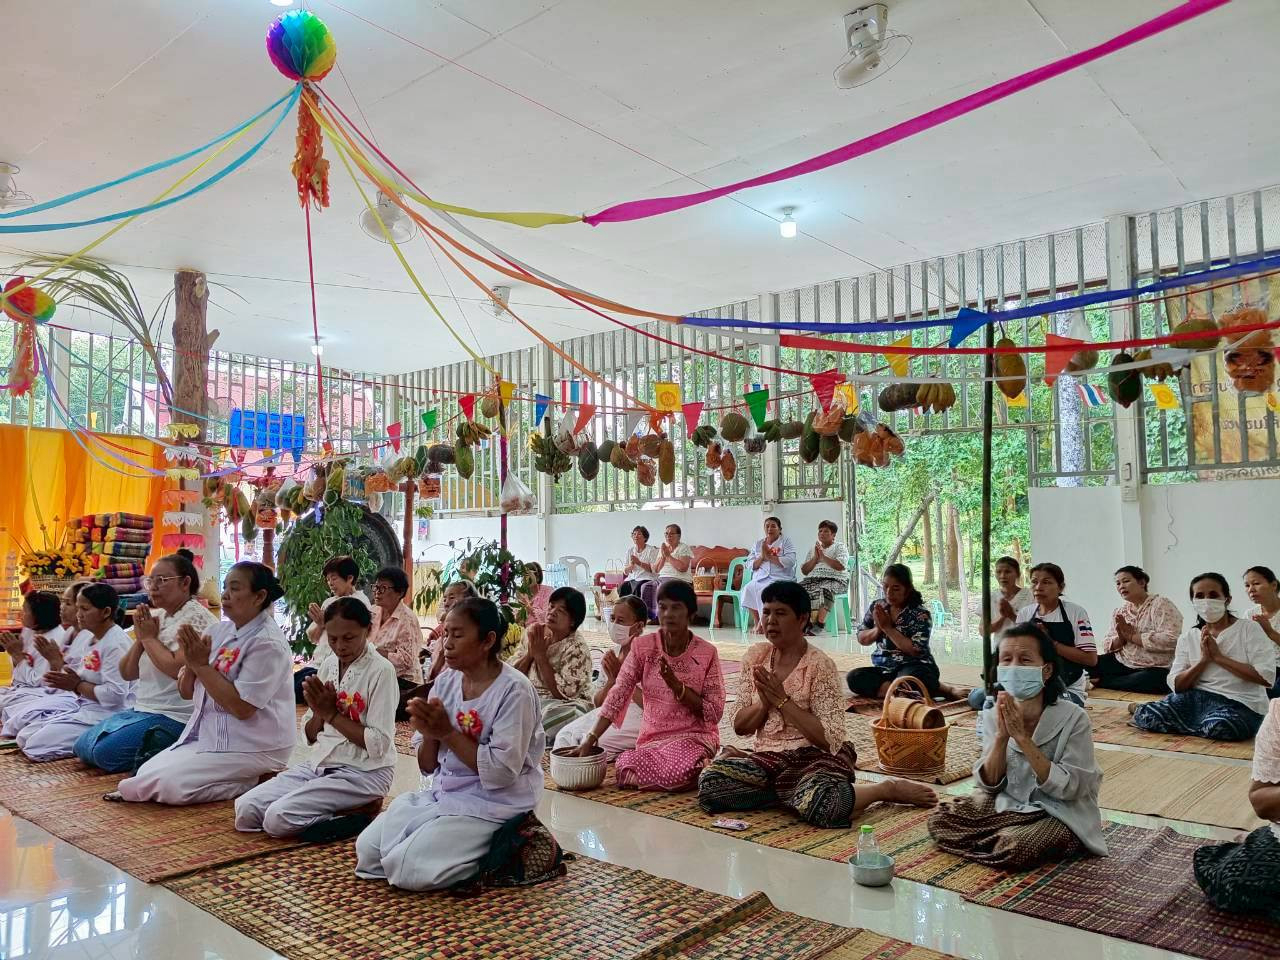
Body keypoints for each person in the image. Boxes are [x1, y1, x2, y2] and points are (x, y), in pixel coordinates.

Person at [698, 582, 936, 826]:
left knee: (826, 802)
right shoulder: (756, 657)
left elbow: (829, 739)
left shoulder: (819, 665)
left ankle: (883, 790)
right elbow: (740, 727)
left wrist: (783, 701)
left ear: (802, 619)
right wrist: (764, 702)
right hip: (769, 758)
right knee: (712, 782)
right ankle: (793, 794)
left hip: (815, 758)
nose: (770, 620)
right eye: (767, 612)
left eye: (780, 613)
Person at [355, 597, 545, 891]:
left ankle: (503, 850)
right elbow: (427, 766)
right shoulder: (446, 682)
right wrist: (430, 732)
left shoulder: (514, 690)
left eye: (457, 635)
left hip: (494, 804)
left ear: (487, 640)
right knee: (369, 851)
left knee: (407, 868)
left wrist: (446, 732)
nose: (447, 644)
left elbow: (501, 774)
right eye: (446, 634)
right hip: (446, 794)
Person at [112, 562, 296, 805]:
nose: (225, 595)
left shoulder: (267, 643)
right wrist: (191, 665)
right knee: (145, 773)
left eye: (235, 588)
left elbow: (242, 708)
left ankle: (252, 780)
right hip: (210, 736)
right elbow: (186, 692)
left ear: (259, 596)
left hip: (253, 744)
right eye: (225, 587)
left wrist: (201, 666)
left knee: (169, 787)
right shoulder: (218, 632)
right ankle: (244, 778)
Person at [928, 622, 1106, 868]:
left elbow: (1073, 788)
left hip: (1059, 811)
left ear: (1046, 670)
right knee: (940, 820)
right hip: (1008, 804)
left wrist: (1022, 739)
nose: (1013, 668)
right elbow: (988, 784)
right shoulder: (993, 714)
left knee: (1015, 845)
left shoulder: (1074, 718)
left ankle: (1004, 839)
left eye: (1024, 660)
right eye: (1006, 660)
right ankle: (997, 839)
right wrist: (1002, 737)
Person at [235, 598, 397, 840]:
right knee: (246, 809)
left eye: (349, 638)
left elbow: (379, 744)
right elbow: (311, 735)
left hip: (365, 772)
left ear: (368, 630)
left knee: (277, 820)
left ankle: (357, 813)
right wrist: (320, 712)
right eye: (333, 639)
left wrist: (332, 714)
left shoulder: (381, 670)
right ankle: (333, 806)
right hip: (322, 762)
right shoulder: (329, 664)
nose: (340, 646)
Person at [574, 580, 725, 792]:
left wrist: (678, 688)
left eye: (676, 607)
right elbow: (619, 693)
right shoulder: (643, 647)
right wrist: (591, 737)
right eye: (663, 607)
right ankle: (696, 773)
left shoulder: (706, 653)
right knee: (625, 768)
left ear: (691, 614)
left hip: (693, 737)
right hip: (653, 739)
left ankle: (698, 769)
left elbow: (714, 712)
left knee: (678, 771)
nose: (668, 614)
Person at [73, 553, 218, 773]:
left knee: (102, 753)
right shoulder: (157, 616)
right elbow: (127, 672)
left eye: (162, 580)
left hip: (176, 715)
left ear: (185, 582)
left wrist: (149, 638)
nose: (153, 587)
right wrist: (141, 639)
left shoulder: (198, 619)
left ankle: (172, 747)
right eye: (151, 581)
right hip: (143, 709)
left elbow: (176, 669)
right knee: (80, 745)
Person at [1132, 573, 1274, 742]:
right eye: (1199, 596)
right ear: (1193, 602)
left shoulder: (1249, 629)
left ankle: (1189, 725)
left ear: (1227, 599)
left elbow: (1266, 677)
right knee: (1148, 715)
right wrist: (1203, 661)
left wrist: (1219, 658)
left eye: (1213, 595)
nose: (1206, 601)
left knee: (1223, 726)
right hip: (1194, 700)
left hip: (1240, 702)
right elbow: (1177, 685)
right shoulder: (1189, 637)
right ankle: (1198, 725)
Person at [17, 584, 135, 762]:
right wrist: (61, 669)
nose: (79, 614)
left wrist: (77, 685)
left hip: (109, 712)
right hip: (85, 706)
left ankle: (96, 741)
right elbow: (79, 676)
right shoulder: (91, 638)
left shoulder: (115, 643)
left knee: (36, 745)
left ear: (105, 612)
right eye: (78, 608)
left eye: (85, 609)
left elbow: (115, 696)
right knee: (24, 735)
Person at [1193, 697, 1280, 918]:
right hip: (1203, 702)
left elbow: (1263, 680)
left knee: (1225, 724)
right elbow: (1262, 802)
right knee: (1230, 882)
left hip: (1239, 706)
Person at [553, 596, 648, 757]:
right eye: (612, 619)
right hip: (610, 711)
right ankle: (568, 772)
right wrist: (611, 682)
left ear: (638, 626)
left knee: (595, 745)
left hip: (641, 716)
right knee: (564, 735)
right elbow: (598, 703)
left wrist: (622, 677)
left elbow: (652, 706)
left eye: (621, 621)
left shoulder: (649, 656)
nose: (614, 624)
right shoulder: (612, 655)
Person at [1, 582, 88, 737]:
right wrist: (16, 655)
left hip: (53, 695)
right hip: (34, 691)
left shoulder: (55, 638)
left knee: (26, 731)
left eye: (68, 603)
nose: (62, 608)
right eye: (62, 602)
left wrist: (18, 656)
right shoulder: (31, 631)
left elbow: (42, 682)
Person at [847, 564, 941, 699]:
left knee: (914, 678)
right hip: (885, 669)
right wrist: (878, 629)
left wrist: (888, 628)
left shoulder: (920, 614)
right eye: (885, 586)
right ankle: (901, 692)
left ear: (907, 589)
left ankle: (895, 691)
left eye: (896, 588)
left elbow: (915, 650)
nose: (889, 593)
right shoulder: (878, 607)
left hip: (914, 666)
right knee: (854, 678)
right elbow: (862, 638)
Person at [510, 586, 593, 739]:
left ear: (573, 621)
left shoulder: (577, 648)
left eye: (561, 611)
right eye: (551, 606)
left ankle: (528, 730)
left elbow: (564, 694)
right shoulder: (533, 633)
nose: (552, 612)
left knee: (568, 715)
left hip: (562, 704)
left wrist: (541, 657)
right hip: (530, 697)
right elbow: (511, 675)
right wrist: (530, 654)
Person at [1088, 566, 1182, 695]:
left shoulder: (1161, 604)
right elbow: (1106, 643)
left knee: (1156, 680)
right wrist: (1121, 638)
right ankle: (1112, 680)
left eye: (1126, 581)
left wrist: (1133, 637)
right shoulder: (1120, 612)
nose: (1121, 586)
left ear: (1142, 583)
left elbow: (1172, 639)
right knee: (1086, 664)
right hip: (1123, 661)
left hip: (1153, 668)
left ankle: (1103, 682)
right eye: (1118, 583)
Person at [295, 556, 375, 705]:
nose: (330, 583)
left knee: (299, 691)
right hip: (317, 663)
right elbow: (312, 637)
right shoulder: (329, 602)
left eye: (334, 578)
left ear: (350, 578)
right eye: (328, 580)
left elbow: (349, 633)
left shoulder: (359, 603)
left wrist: (325, 623)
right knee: (288, 684)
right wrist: (320, 624)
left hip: (338, 665)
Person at [1016, 563, 1096, 705]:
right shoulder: (1025, 613)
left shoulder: (1075, 612)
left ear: (1060, 587)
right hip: (1032, 683)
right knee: (981, 698)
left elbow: (1090, 659)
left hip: (1068, 686)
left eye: (1046, 582)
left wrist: (1050, 642)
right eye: (1034, 582)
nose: (1038, 587)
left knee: (1053, 706)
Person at [0, 591, 64, 710]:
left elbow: (38, 682)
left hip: (41, 694)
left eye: (25, 611)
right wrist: (14, 653)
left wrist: (17, 655)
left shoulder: (52, 641)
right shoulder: (30, 630)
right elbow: (19, 670)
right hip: (20, 688)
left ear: (38, 615)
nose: (21, 614)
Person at [368, 566, 424, 690]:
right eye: (376, 587)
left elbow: (406, 661)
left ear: (400, 592)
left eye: (383, 588)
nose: (377, 592)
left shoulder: (407, 620)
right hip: (377, 673)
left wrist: (373, 651)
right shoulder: (373, 611)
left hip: (404, 681)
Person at [740, 517, 797, 631]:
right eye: (767, 526)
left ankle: (764, 623)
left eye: (773, 526)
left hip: (780, 577)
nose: (769, 528)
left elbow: (791, 561)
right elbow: (750, 564)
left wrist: (770, 557)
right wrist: (762, 556)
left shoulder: (785, 542)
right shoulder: (758, 544)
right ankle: (757, 621)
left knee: (765, 590)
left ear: (780, 529)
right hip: (760, 578)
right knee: (747, 589)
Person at [798, 521, 849, 634]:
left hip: (837, 580)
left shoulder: (839, 547)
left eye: (826, 531)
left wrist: (823, 556)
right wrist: (815, 559)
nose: (822, 533)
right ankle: (805, 622)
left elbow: (840, 566)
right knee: (796, 590)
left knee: (824, 589)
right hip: (813, 580)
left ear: (833, 535)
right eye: (820, 531)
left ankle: (819, 624)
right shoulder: (813, 549)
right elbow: (805, 571)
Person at [424, 579, 479, 684]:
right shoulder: (443, 629)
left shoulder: (472, 633)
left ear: (468, 600)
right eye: (444, 599)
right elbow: (432, 677)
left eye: (452, 598)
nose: (446, 603)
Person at [642, 524, 695, 619]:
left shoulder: (683, 548)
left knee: (662, 587)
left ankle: (661, 616)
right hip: (662, 578)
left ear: (679, 536)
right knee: (646, 586)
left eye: (671, 534)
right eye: (666, 534)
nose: (668, 536)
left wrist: (668, 556)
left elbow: (682, 568)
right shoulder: (664, 548)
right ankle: (652, 616)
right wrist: (663, 556)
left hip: (680, 579)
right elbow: (656, 570)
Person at [1243, 566, 1280, 698]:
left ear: (1274, 585)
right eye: (1247, 586)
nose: (1251, 590)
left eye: (1256, 583)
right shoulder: (1250, 614)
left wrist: (1269, 632)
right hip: (1260, 668)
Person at [617, 526, 661, 606]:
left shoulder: (652, 550)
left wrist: (639, 562)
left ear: (645, 537)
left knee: (638, 586)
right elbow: (625, 572)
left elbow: (653, 570)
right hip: (632, 578)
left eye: (639, 534)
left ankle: (637, 610)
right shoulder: (630, 551)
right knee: (622, 587)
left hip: (646, 577)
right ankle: (625, 609)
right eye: (634, 534)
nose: (636, 536)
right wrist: (631, 566)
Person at [989, 556, 1033, 635]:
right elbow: (983, 631)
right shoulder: (991, 597)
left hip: (1025, 642)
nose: (1002, 576)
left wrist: (1011, 615)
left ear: (1018, 574)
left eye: (1007, 572)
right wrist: (1002, 617)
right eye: (998, 572)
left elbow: (1035, 628)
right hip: (1001, 643)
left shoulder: (1030, 595)